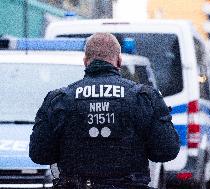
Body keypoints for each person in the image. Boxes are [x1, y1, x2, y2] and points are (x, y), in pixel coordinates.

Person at [29, 33, 180, 189]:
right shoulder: (144, 97)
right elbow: (166, 151)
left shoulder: (59, 99)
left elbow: (39, 154)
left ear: (85, 62)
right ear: (119, 62)